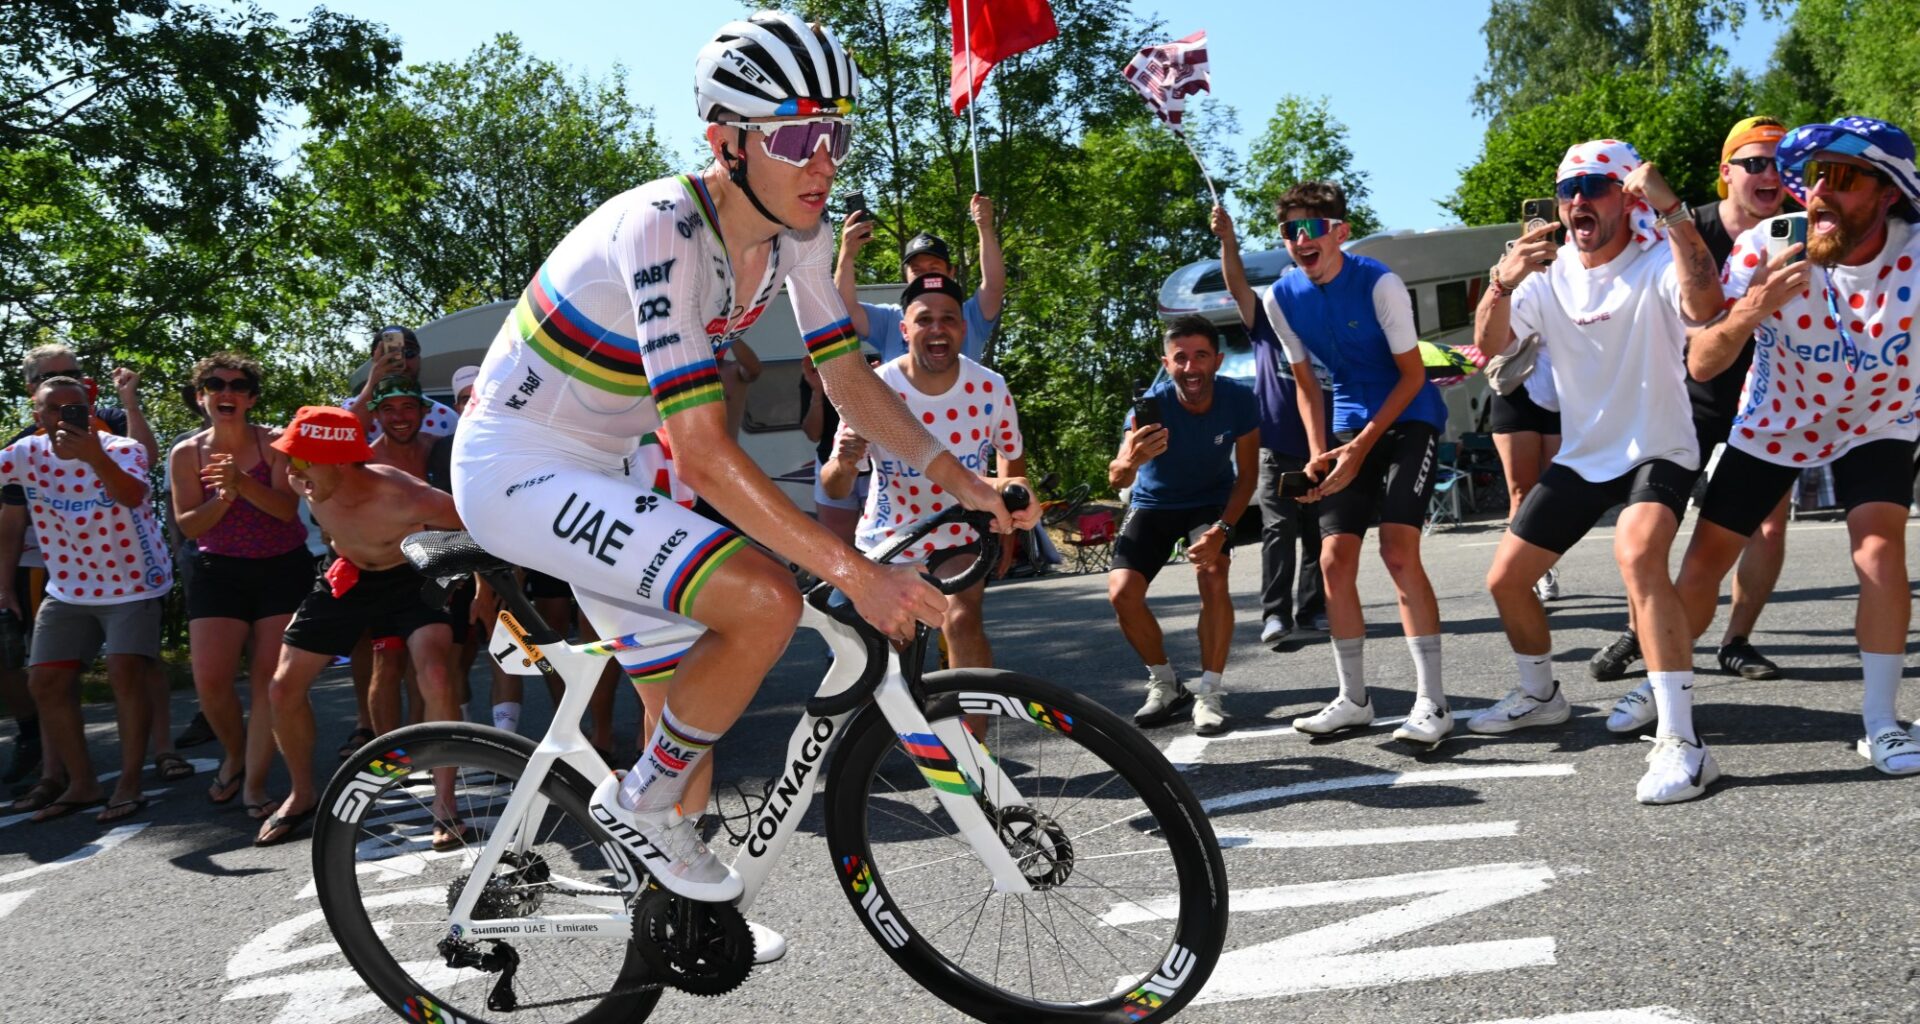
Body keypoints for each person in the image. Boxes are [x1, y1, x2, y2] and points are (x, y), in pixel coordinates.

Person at [447, 13, 1028, 919]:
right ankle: (637, 802)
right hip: (519, 464)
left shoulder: (795, 236)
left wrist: (967, 483)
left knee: (694, 721)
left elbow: (847, 380)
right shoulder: (662, 228)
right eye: (798, 136)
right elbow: (704, 453)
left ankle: (670, 926)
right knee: (764, 599)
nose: (824, 160)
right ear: (726, 140)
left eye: (835, 134)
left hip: (611, 464)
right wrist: (850, 569)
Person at [1613, 117, 1920, 777]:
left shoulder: (1915, 256)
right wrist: (1753, 306)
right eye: (1812, 178)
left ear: (1888, 193)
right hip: (1776, 418)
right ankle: (1666, 677)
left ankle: (1881, 723)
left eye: (1841, 180)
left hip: (1877, 418)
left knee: (1878, 548)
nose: (1817, 195)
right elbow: (1701, 361)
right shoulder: (1765, 246)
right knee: (1702, 565)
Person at [1470, 139, 1725, 804]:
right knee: (1506, 580)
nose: (1578, 199)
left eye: (1596, 186)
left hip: (1657, 446)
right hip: (1585, 455)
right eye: (1568, 189)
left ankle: (1684, 744)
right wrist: (1502, 281)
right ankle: (1540, 694)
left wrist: (1674, 213)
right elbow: (1490, 346)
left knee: (1637, 552)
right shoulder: (1547, 277)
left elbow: (1703, 305)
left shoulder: (1653, 262)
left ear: (1627, 196)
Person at [1590, 116, 1797, 683]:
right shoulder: (1687, 225)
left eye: (1779, 164)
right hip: (1688, 394)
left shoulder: (1800, 230)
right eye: (1755, 162)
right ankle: (1644, 630)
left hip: (1771, 399)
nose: (1769, 174)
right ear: (1726, 172)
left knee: (1769, 526)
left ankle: (1737, 641)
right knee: (1654, 525)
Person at [1262, 182, 1454, 748]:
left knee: (1397, 551)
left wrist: (1359, 448)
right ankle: (1354, 700)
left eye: (1311, 228)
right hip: (1348, 423)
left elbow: (1414, 376)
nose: (1300, 240)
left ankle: (1434, 703)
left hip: (1409, 417)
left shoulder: (1380, 283)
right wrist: (1321, 452)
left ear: (1339, 232)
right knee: (1332, 561)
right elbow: (1305, 384)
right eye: (1289, 231)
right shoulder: (1280, 297)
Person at [256, 406, 464, 846]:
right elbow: (301, 480)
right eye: (292, 459)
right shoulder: (307, 480)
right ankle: (301, 794)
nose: (293, 471)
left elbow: (477, 528)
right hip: (347, 574)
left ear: (338, 461)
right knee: (281, 687)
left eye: (302, 459)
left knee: (436, 673)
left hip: (412, 576)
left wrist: (484, 590)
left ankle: (446, 805)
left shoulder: (405, 495)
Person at [822, 273, 1025, 671]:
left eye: (948, 319)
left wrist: (1012, 529)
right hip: (889, 536)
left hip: (960, 531)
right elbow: (834, 485)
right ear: (904, 329)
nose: (937, 329)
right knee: (892, 646)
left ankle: (972, 734)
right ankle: (901, 732)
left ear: (963, 329)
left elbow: (1012, 459)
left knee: (962, 619)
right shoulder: (874, 388)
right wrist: (844, 463)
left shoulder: (990, 387)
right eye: (924, 319)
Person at [0, 375, 173, 823]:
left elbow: (133, 495)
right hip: (70, 586)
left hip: (133, 581)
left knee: (124, 673)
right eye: (53, 409)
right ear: (37, 416)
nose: (63, 416)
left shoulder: (120, 450)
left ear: (90, 408)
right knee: (45, 682)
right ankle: (82, 783)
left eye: (73, 407)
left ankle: (129, 784)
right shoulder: (22, 455)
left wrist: (95, 457)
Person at [170, 353, 310, 821]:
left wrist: (240, 485)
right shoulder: (186, 454)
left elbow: (285, 510)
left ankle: (253, 784)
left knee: (269, 682)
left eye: (238, 384)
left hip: (279, 568)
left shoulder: (274, 443)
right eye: (215, 384)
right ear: (201, 395)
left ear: (250, 397)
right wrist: (225, 497)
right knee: (210, 680)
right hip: (217, 571)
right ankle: (235, 753)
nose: (225, 391)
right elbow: (189, 526)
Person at [1107, 315, 1257, 736]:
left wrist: (1223, 530)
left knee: (1213, 574)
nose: (1191, 368)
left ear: (1218, 361)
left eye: (1201, 357)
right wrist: (1131, 459)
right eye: (1180, 359)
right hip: (1155, 502)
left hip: (1210, 501)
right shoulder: (1150, 407)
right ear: (1166, 363)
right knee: (1122, 594)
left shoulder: (1239, 399)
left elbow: (1247, 476)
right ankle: (1166, 682)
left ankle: (1209, 692)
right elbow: (1117, 477)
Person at [1209, 205, 1328, 650]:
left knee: (1319, 532)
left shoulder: (1322, 323)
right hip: (1276, 445)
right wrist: (1228, 240)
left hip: (1322, 445)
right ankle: (1276, 614)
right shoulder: (1262, 321)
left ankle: (1313, 609)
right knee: (1279, 530)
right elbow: (1236, 283)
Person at [835, 195, 1003, 363]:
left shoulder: (970, 315)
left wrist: (985, 227)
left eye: (934, 268)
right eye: (917, 270)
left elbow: (994, 286)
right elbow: (842, 308)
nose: (926, 276)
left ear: (951, 272)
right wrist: (847, 253)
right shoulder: (889, 319)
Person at [1485, 333, 1563, 601]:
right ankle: (1527, 573)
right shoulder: (1511, 290)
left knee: (1553, 494)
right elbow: (1489, 341)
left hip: (1562, 393)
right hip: (1514, 388)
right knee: (1520, 493)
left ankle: (1542, 563)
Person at [799, 354, 881, 545]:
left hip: (877, 466)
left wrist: (877, 387)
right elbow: (813, 434)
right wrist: (818, 392)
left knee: (885, 546)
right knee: (839, 547)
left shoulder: (876, 366)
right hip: (832, 466)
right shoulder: (816, 371)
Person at [344, 325, 458, 440]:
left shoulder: (445, 416)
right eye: (389, 353)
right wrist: (372, 384)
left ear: (419, 359)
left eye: (409, 353)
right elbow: (342, 444)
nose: (401, 360)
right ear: (375, 360)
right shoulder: (349, 409)